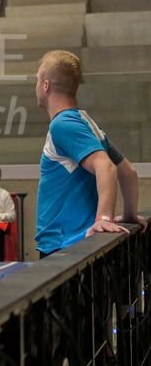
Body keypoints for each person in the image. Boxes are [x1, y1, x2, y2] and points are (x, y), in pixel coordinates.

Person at [34, 50, 147, 257]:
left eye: (37, 81)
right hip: (79, 244)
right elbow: (128, 172)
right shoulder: (85, 122)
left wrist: (104, 218)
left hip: (65, 245)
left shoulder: (63, 125)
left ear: (46, 85)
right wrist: (130, 214)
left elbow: (106, 167)